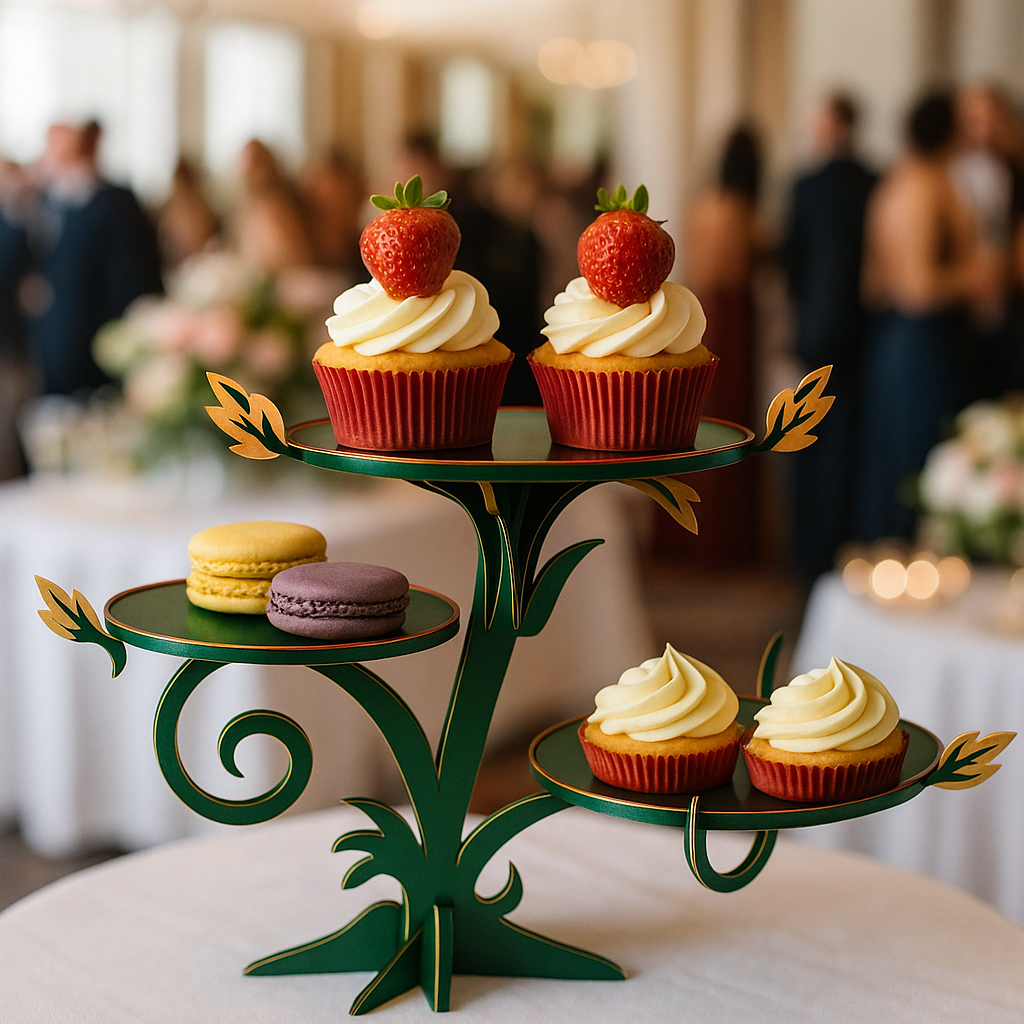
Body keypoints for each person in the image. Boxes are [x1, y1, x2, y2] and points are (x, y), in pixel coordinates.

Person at [855, 92, 1000, 542]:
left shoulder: (895, 182)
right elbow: (917, 288)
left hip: (896, 340)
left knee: (899, 454)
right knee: (919, 458)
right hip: (922, 343)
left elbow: (873, 282)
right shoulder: (925, 186)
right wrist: (975, 275)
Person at [782, 94, 878, 581]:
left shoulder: (804, 185)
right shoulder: (874, 181)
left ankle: (809, 554)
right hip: (863, 328)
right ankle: (841, 546)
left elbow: (792, 262)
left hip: (819, 329)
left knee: (811, 436)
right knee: (851, 440)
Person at [659, 126, 765, 566]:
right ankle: (724, 543)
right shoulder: (743, 211)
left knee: (697, 418)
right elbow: (741, 270)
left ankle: (682, 538)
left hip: (698, 314)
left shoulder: (700, 204)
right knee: (731, 420)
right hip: (734, 318)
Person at [26, 121, 163, 396]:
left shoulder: (115, 204)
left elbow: (130, 280)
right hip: (56, 342)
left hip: (96, 343)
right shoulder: (48, 201)